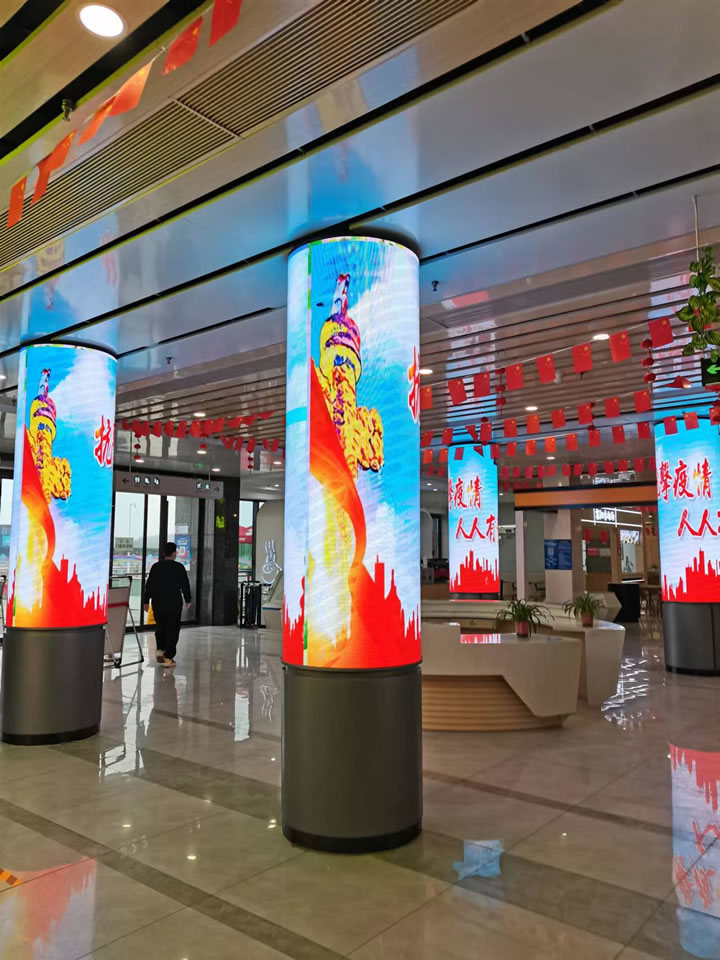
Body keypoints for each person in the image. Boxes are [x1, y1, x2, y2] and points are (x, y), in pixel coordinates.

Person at [143, 542, 191, 668]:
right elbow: (185, 584)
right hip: (174, 603)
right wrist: (188, 599)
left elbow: (149, 586)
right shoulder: (179, 567)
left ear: (164, 553)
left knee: (161, 627)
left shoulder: (156, 567)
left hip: (158, 603)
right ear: (174, 553)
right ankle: (169, 657)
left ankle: (160, 649)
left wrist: (146, 601)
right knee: (172, 629)